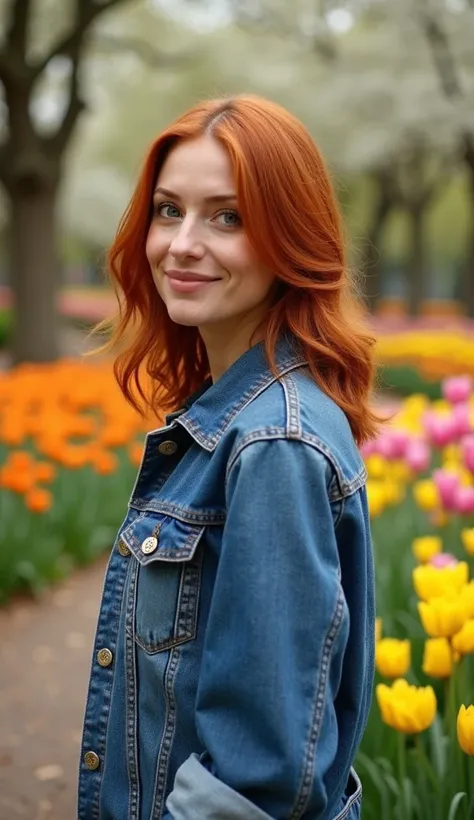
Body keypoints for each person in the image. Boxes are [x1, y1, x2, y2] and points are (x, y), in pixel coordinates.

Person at [77, 94, 379, 820]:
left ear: (290, 238)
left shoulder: (273, 444)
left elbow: (254, 777)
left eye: (228, 217)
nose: (181, 243)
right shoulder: (239, 414)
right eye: (168, 210)